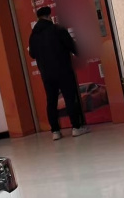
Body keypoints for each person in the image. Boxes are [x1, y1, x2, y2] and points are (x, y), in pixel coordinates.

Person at [29, 6, 89, 141]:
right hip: (63, 70)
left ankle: (55, 131)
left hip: (46, 74)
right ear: (48, 16)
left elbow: (32, 54)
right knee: (69, 98)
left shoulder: (33, 36)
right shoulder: (57, 29)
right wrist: (81, 55)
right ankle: (76, 127)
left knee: (51, 101)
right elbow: (71, 46)